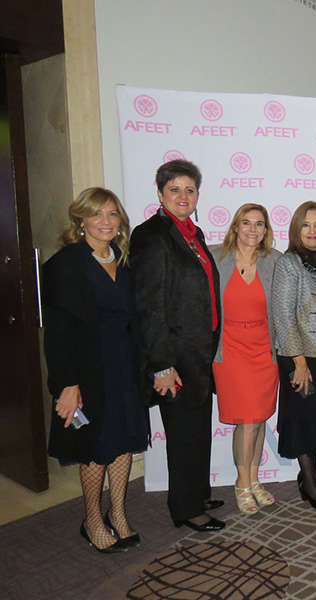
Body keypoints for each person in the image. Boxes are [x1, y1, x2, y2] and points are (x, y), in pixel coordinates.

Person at [44, 187, 150, 553]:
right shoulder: (64, 265)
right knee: (95, 447)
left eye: (112, 214)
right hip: (87, 372)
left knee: (123, 443)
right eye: (96, 214)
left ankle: (118, 513)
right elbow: (56, 333)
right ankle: (92, 518)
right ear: (81, 220)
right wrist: (66, 385)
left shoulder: (124, 260)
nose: (105, 222)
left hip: (125, 368)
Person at [131, 159, 225, 532]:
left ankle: (197, 492)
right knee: (184, 434)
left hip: (198, 354)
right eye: (175, 190)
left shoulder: (192, 234)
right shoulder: (152, 236)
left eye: (189, 190)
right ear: (159, 193)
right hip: (174, 358)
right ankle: (185, 509)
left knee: (198, 429)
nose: (183, 196)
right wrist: (162, 365)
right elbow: (148, 306)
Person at [210, 204, 281, 515]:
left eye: (260, 224)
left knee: (260, 416)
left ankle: (254, 479)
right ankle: (242, 482)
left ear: (266, 230)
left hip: (265, 349)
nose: (253, 230)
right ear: (235, 226)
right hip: (230, 349)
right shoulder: (215, 258)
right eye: (247, 223)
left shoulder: (275, 261)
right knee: (247, 420)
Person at [272, 201, 316, 511]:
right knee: (302, 417)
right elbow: (283, 315)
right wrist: (298, 361)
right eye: (306, 225)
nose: (312, 231)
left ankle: (313, 470)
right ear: (297, 229)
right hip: (299, 355)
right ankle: (308, 479)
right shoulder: (289, 263)